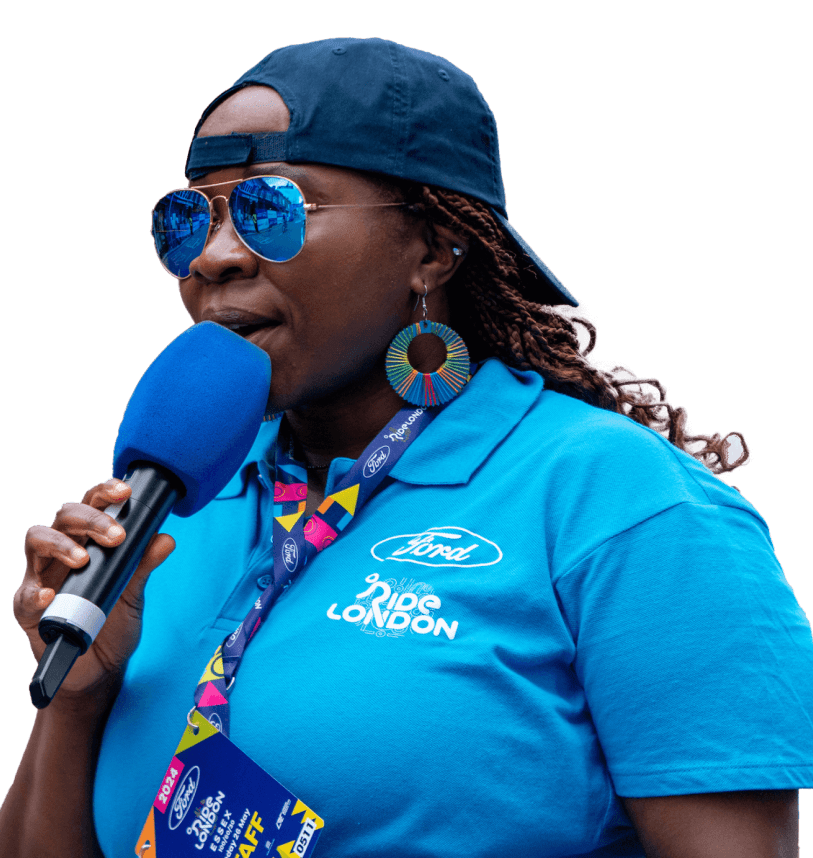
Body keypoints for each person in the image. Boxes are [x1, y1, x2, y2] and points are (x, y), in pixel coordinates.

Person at [3, 37, 812, 858]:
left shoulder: (622, 505)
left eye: (269, 209)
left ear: (431, 249)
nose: (212, 256)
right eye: (187, 219)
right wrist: (78, 696)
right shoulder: (173, 508)